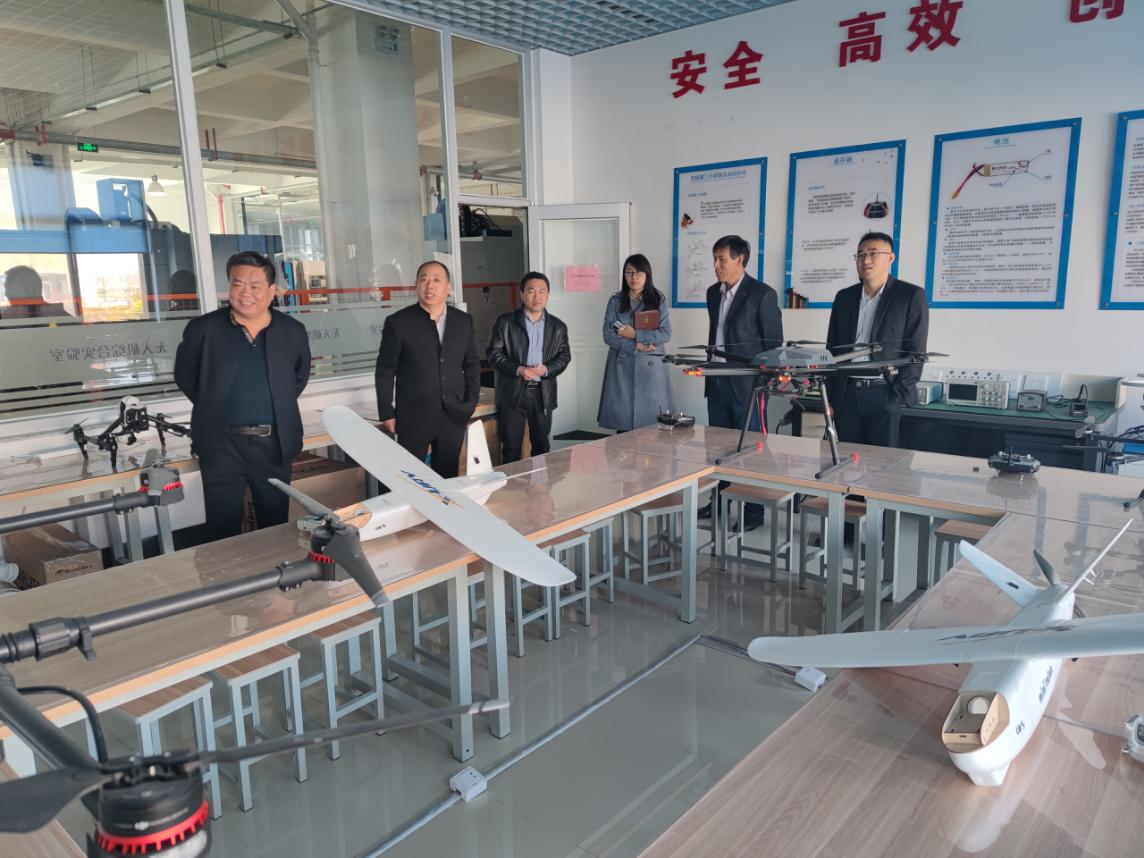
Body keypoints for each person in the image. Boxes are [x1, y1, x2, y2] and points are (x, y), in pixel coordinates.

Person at [173, 251, 311, 541]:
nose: (245, 293)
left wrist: (274, 404)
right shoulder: (204, 329)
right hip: (220, 445)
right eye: (237, 284)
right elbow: (185, 376)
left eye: (255, 286)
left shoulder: (292, 331)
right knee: (222, 532)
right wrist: (214, 404)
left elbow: (299, 377)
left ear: (272, 290)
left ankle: (274, 571)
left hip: (274, 444)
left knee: (275, 527)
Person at [704, 236, 784, 529]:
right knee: (718, 448)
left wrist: (763, 381)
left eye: (722, 259)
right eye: (714, 258)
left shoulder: (762, 294)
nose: (716, 265)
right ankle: (720, 503)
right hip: (717, 378)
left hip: (748, 386)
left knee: (751, 449)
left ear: (740, 260)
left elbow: (774, 344)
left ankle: (753, 511)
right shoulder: (713, 293)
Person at [375, 260, 480, 478]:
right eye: (424, 279)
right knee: (411, 478)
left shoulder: (463, 321)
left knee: (447, 477)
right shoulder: (399, 322)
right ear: (416, 285)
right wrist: (386, 411)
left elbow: (471, 364)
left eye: (436, 280)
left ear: (448, 287)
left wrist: (470, 402)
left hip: (453, 415)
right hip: (413, 415)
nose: (429, 285)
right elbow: (385, 369)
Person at [825, 232, 929, 448]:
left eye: (873, 253)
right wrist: (830, 398)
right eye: (861, 254)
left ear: (890, 258)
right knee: (847, 458)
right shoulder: (844, 297)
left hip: (885, 393)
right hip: (846, 395)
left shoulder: (910, 295)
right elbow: (831, 349)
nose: (866, 260)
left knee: (882, 462)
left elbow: (916, 352)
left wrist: (896, 396)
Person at [486, 271, 572, 463]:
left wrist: (546, 369)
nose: (537, 296)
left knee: (542, 448)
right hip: (513, 392)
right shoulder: (505, 322)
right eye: (531, 291)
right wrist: (519, 369)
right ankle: (513, 483)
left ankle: (539, 483)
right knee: (511, 450)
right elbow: (493, 353)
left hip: (543, 393)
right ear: (522, 294)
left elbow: (564, 356)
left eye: (542, 291)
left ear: (547, 295)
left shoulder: (558, 326)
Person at [598, 254, 675, 432]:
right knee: (623, 427)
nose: (634, 277)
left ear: (647, 275)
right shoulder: (615, 301)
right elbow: (608, 335)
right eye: (629, 272)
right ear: (624, 276)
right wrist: (636, 345)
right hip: (622, 367)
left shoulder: (657, 300)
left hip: (650, 368)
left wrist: (635, 334)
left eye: (639, 272)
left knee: (651, 429)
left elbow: (665, 333)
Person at [2, 265, 71, 319]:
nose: (6, 294)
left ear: (30, 287)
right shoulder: (60, 315)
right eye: (6, 287)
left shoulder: (7, 317)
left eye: (11, 286)